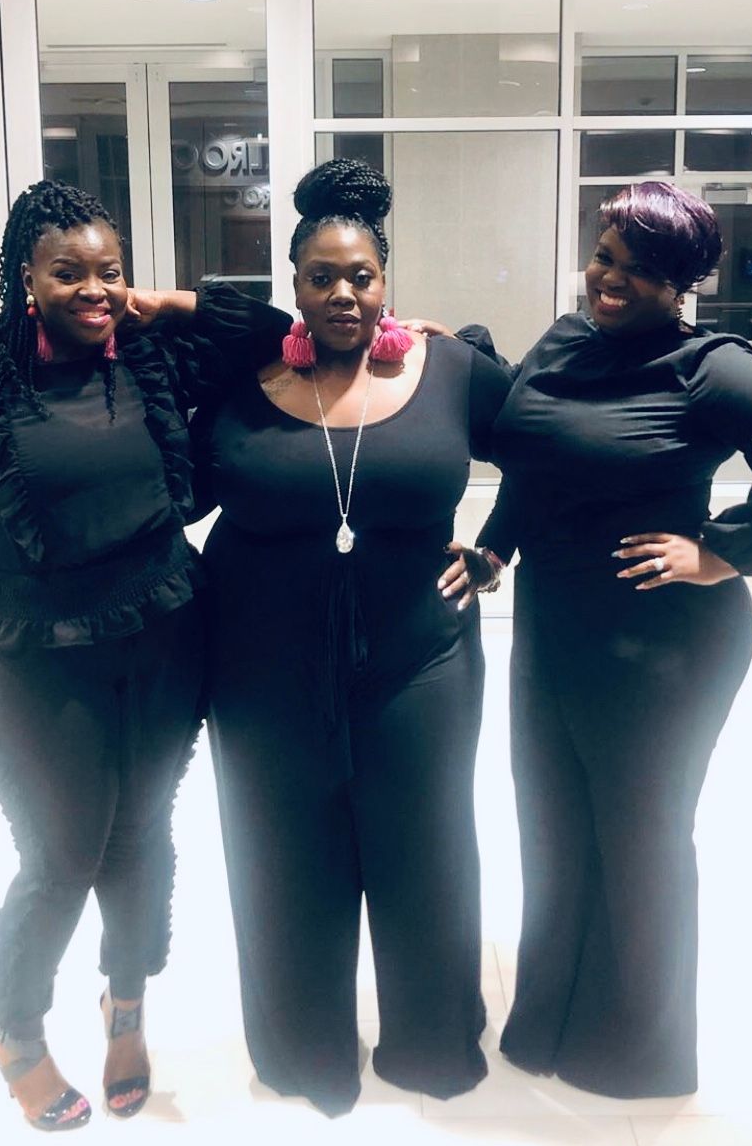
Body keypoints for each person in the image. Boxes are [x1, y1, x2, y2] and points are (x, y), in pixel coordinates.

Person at [0, 179, 288, 1131]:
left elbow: (270, 332)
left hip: (164, 622)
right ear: (24, 278)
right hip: (34, 646)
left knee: (144, 829)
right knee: (64, 849)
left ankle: (127, 1003)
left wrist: (158, 300)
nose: (93, 290)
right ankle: (17, 1031)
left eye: (108, 271)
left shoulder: (150, 352)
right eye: (67, 272)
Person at [439, 181, 752, 1098]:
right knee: (553, 825)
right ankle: (551, 1019)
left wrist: (723, 551)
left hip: (661, 640)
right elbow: (536, 463)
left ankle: (636, 1051)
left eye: (638, 269)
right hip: (554, 626)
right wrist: (495, 549)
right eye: (605, 258)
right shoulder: (564, 341)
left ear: (679, 283)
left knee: (640, 838)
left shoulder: (707, 366)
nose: (610, 279)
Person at [189, 159, 513, 1116]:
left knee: (426, 854)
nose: (343, 293)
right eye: (322, 276)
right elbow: (170, 487)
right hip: (261, 672)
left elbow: (547, 450)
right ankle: (304, 1052)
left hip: (421, 661)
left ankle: (431, 1042)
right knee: (283, 859)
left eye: (360, 276)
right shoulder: (240, 384)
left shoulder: (450, 372)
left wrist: (497, 548)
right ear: (292, 286)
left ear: (385, 282)